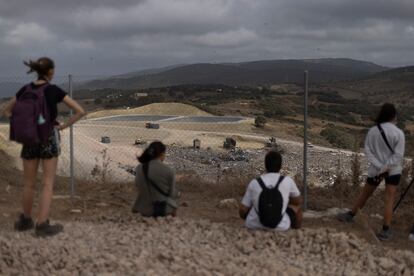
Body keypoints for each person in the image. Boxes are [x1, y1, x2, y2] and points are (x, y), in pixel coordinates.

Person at [2, 57, 85, 237]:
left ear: (37, 71)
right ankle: (42, 225)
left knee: (28, 183)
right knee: (47, 183)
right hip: (48, 138)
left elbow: (7, 110)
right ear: (50, 72)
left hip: (30, 140)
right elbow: (80, 111)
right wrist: (63, 126)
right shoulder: (53, 90)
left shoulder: (26, 89)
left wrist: (23, 123)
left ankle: (25, 220)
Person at [337, 103, 405, 241]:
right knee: (389, 199)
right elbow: (398, 155)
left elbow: (368, 150)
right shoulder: (399, 133)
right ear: (394, 116)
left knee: (365, 194)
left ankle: (350, 215)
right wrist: (387, 166)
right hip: (393, 170)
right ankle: (385, 230)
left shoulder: (374, 131)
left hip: (376, 170)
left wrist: (379, 166)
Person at [239, 151, 303, 231]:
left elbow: (243, 210)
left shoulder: (254, 183)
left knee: (252, 203)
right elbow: (298, 201)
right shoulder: (287, 181)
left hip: (254, 226)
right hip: (281, 227)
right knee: (297, 207)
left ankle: (256, 221)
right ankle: (296, 232)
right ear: (280, 166)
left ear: (265, 165)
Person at [132, 141, 178, 217]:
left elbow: (137, 185)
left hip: (143, 209)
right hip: (162, 209)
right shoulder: (168, 170)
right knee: (174, 199)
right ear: (162, 154)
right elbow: (171, 193)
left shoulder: (139, 168)